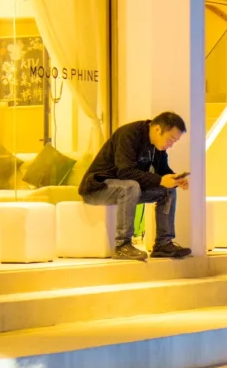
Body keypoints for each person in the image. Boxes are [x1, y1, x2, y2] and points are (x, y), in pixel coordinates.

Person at [79, 111, 191, 260]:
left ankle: (163, 244)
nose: (171, 145)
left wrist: (175, 179)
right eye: (170, 139)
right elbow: (125, 172)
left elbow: (162, 171)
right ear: (158, 129)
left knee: (167, 191)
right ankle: (122, 246)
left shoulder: (158, 146)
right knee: (130, 186)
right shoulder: (129, 134)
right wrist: (160, 180)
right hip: (98, 188)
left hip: (126, 190)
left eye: (174, 142)